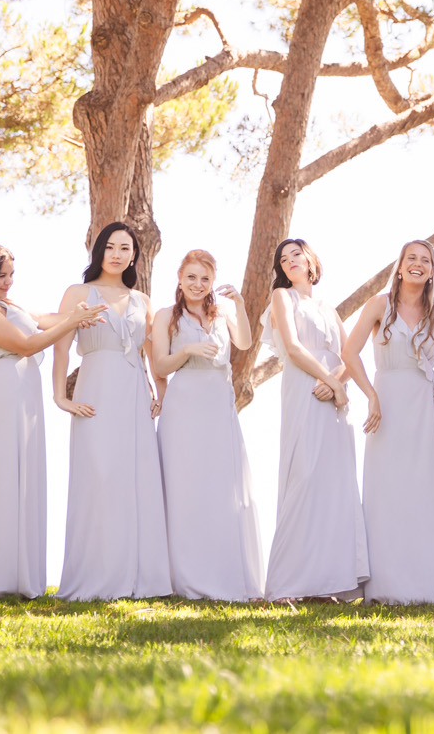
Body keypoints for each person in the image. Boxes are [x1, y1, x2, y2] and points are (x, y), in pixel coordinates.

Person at [0, 243, 101, 599]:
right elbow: (26, 345)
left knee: (25, 480)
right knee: (3, 481)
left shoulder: (9, 306)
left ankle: (23, 577)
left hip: (25, 397)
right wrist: (72, 321)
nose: (7, 283)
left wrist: (76, 314)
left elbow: (46, 321)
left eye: (10, 276)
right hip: (3, 395)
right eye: (0, 276)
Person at [52, 222, 171, 601]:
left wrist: (160, 393)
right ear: (99, 251)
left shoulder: (143, 301)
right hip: (95, 391)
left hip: (134, 393)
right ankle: (95, 577)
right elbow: (59, 346)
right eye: (111, 247)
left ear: (135, 255)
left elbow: (153, 354)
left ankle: (140, 579)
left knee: (136, 479)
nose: (118, 254)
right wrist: (60, 397)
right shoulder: (78, 292)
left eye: (126, 248)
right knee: (99, 476)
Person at [342, 239, 434, 605]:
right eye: (411, 258)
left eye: (425, 260)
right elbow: (349, 353)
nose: (418, 264)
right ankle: (384, 587)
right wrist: (371, 395)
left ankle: (425, 585)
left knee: (425, 494)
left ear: (431, 271)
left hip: (425, 409)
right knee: (387, 493)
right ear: (400, 266)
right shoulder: (380, 305)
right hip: (387, 404)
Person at [150, 248, 263, 602]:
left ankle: (225, 575)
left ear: (212, 282)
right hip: (183, 405)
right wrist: (187, 351)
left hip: (218, 404)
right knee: (186, 487)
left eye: (205, 279)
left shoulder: (223, 313)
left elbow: (244, 343)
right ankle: (185, 578)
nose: (198, 285)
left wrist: (241, 306)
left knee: (220, 486)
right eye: (191, 277)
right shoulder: (166, 315)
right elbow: (160, 367)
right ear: (180, 279)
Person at [262, 237, 368, 601]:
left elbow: (348, 354)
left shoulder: (327, 307)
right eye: (283, 258)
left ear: (310, 261)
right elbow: (292, 348)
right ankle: (288, 584)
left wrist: (337, 383)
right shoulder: (282, 297)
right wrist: (328, 382)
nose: (290, 261)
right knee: (304, 475)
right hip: (304, 390)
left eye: (296, 255)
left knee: (334, 482)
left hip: (332, 396)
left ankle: (328, 584)